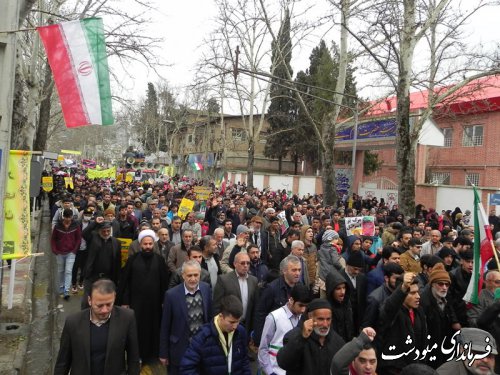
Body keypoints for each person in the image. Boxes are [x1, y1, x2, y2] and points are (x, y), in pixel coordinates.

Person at [54, 279, 140, 375]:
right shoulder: (73, 322)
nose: (104, 310)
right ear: (90, 300)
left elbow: (133, 360)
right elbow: (62, 363)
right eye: (99, 305)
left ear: (114, 297)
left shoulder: (127, 318)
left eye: (108, 304)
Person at [118, 229, 169, 364]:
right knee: (137, 330)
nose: (147, 247)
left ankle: (153, 355)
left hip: (155, 304)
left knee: (154, 328)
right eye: (145, 244)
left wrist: (164, 301)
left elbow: (164, 283)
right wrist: (125, 301)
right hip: (136, 304)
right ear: (140, 245)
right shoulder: (132, 260)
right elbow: (126, 283)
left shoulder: (159, 260)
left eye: (150, 244)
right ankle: (137, 356)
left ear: (153, 244)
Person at [159, 260, 212, 375]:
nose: (193, 279)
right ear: (183, 275)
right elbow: (165, 326)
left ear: (200, 274)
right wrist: (163, 353)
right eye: (189, 275)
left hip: (202, 346)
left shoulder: (206, 289)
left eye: (196, 275)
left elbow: (210, 318)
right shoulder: (171, 295)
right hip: (180, 349)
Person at [180, 295, 251, 375]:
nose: (235, 326)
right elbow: (187, 367)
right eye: (231, 322)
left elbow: (244, 361)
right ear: (221, 317)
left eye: (237, 321)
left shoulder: (241, 332)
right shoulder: (203, 336)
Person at [276, 298, 345, 375]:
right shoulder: (294, 336)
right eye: (320, 319)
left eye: (328, 319)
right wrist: (301, 338)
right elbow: (284, 363)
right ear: (310, 317)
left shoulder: (338, 341)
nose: (325, 324)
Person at [377, 272, 427, 374]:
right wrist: (404, 287)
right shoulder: (393, 312)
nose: (418, 296)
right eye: (412, 293)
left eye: (417, 292)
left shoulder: (419, 311)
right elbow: (389, 307)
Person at [258, 284, 312, 375]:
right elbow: (263, 348)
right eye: (301, 305)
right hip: (276, 370)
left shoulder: (305, 319)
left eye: (306, 306)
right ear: (291, 300)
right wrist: (269, 372)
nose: (303, 310)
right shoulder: (274, 317)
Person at [253, 255, 302, 345]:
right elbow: (260, 313)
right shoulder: (272, 289)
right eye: (294, 270)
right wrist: (259, 341)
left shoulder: (300, 288)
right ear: (284, 271)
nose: (298, 273)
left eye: (299, 270)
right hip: (275, 338)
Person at [213, 251, 259, 332]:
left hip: (247, 326)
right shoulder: (224, 280)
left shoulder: (254, 280)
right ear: (235, 264)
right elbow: (217, 306)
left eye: (248, 263)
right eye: (242, 263)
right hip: (228, 326)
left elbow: (255, 306)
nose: (245, 266)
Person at [51, 208, 82, 300]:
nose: (68, 219)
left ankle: (66, 290)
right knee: (61, 270)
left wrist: (74, 250)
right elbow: (53, 239)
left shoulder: (75, 225)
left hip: (71, 252)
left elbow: (78, 239)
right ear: (63, 216)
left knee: (68, 271)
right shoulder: (57, 226)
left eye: (69, 217)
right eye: (66, 217)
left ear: (72, 217)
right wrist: (54, 250)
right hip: (59, 252)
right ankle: (61, 286)